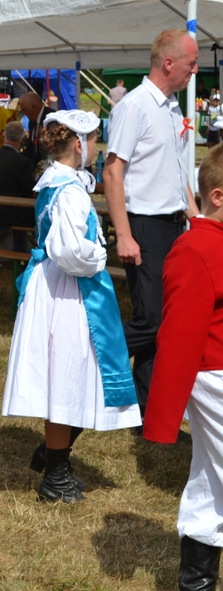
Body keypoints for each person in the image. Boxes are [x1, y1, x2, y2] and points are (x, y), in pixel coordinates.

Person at [3, 110, 141, 504]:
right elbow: (66, 249)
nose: (97, 148)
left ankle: (56, 464)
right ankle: (55, 474)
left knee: (69, 376)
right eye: (95, 140)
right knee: (66, 376)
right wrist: (98, 255)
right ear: (79, 144)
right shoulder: (69, 190)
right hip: (67, 290)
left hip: (59, 285)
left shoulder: (57, 182)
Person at [104, 28, 200, 420]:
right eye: (192, 64)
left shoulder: (171, 107)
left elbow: (178, 171)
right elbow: (113, 172)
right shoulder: (135, 105)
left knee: (161, 323)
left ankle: (147, 412)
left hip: (173, 224)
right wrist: (124, 234)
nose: (195, 71)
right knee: (152, 319)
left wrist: (194, 218)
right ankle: (92, 361)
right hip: (145, 225)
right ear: (169, 63)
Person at [142, 146, 223, 590]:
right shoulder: (194, 247)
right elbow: (179, 336)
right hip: (215, 376)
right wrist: (163, 414)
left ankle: (197, 581)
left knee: (211, 478)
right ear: (217, 195)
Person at [0, 121, 34, 253]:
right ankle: (27, 251)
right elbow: (29, 191)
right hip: (12, 214)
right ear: (22, 140)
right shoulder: (23, 162)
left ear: (3, 137)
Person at [18, 91, 52, 172]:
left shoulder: (51, 118)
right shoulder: (32, 120)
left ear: (34, 107)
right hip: (36, 169)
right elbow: (31, 146)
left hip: (49, 168)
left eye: (24, 109)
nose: (23, 113)